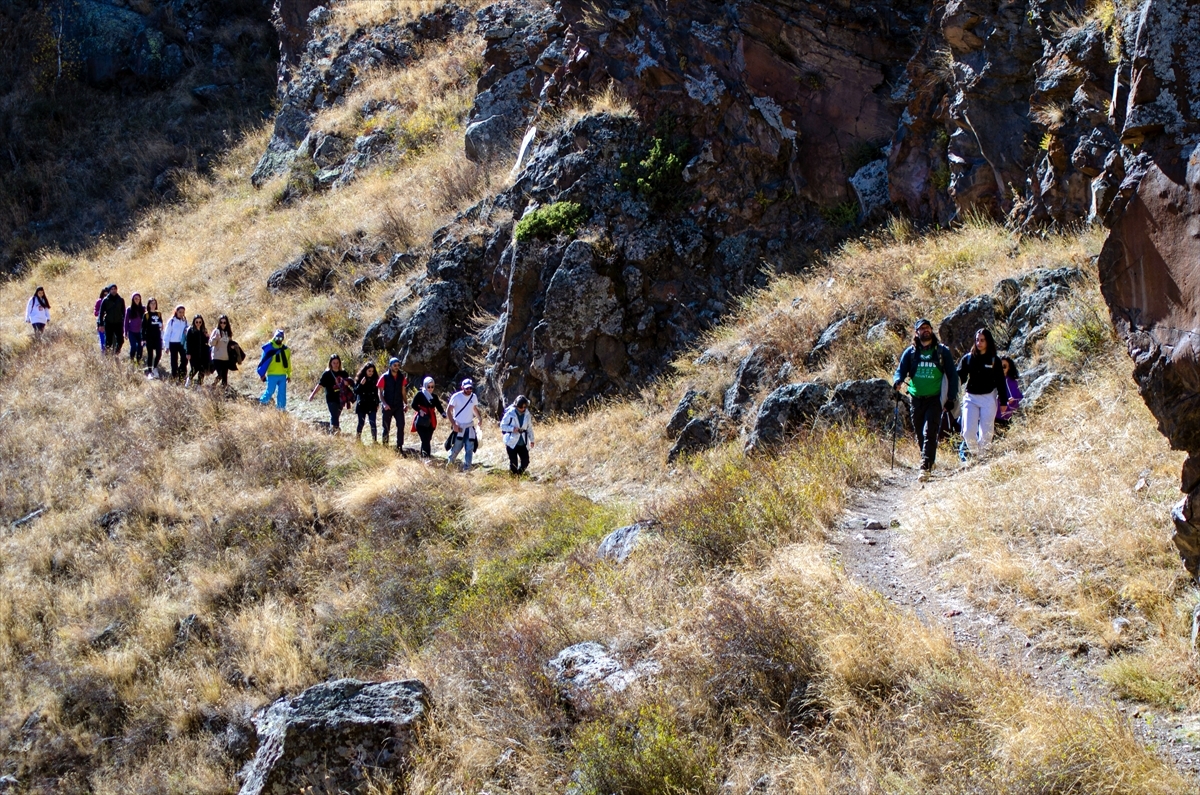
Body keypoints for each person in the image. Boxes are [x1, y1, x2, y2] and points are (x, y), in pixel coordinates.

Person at [893, 318, 959, 481]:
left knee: (929, 431)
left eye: (927, 327)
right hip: (916, 399)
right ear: (917, 333)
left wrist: (950, 398)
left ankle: (925, 467)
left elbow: (952, 375)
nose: (925, 330)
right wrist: (898, 381)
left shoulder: (942, 352)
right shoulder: (911, 353)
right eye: (922, 329)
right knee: (920, 434)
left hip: (935, 399)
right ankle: (929, 459)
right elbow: (900, 370)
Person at [446, 378, 483, 471]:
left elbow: (474, 408)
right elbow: (448, 411)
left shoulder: (473, 397)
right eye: (467, 388)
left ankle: (467, 468)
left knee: (469, 448)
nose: (469, 390)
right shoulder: (456, 397)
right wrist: (454, 424)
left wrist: (479, 418)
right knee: (456, 448)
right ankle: (450, 466)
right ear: (462, 387)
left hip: (470, 426)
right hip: (459, 427)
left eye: (470, 388)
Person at [309, 354, 349, 431]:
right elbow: (320, 385)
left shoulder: (343, 373)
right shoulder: (326, 374)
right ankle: (335, 433)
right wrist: (312, 394)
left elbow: (349, 383)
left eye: (337, 363)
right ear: (330, 363)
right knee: (334, 416)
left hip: (341, 398)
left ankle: (333, 430)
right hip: (331, 398)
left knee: (336, 416)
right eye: (334, 363)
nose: (336, 365)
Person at [410, 376, 446, 458]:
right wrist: (420, 410)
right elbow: (413, 405)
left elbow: (439, 406)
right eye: (428, 386)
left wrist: (443, 413)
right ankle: (427, 458)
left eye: (432, 386)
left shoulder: (435, 396)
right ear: (425, 386)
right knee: (425, 439)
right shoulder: (420, 394)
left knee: (427, 439)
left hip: (431, 420)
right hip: (421, 420)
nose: (430, 388)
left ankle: (424, 456)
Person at [378, 358, 408, 453]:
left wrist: (405, 403)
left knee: (401, 425)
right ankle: (385, 447)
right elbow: (380, 393)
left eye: (398, 365)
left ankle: (400, 447)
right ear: (390, 366)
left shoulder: (401, 377)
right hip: (388, 405)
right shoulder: (384, 377)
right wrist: (384, 404)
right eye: (395, 365)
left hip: (398, 405)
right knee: (386, 427)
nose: (397, 367)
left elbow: (403, 391)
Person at [500, 395, 534, 475]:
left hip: (523, 442)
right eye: (521, 407)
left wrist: (532, 440)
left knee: (526, 461)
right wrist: (512, 429)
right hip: (511, 442)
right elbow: (502, 426)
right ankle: (514, 478)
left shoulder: (527, 414)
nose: (523, 409)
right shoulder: (510, 413)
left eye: (524, 407)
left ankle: (519, 474)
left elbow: (529, 428)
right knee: (513, 463)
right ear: (516, 406)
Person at [257, 329, 291, 409]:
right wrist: (262, 374)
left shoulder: (286, 350)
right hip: (272, 375)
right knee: (270, 391)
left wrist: (289, 374)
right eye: (277, 337)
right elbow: (263, 362)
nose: (278, 339)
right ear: (274, 337)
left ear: (283, 339)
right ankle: (262, 404)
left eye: (280, 338)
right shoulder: (269, 348)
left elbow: (288, 363)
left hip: (282, 375)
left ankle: (281, 409)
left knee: (282, 393)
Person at [354, 363, 380, 443]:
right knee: (361, 423)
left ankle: (374, 441)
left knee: (373, 423)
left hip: (372, 404)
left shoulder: (375, 379)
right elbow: (356, 391)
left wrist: (377, 403)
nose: (371, 373)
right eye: (369, 371)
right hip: (362, 404)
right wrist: (361, 384)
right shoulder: (360, 379)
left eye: (372, 371)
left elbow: (376, 393)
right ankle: (358, 440)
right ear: (365, 370)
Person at [996, 356, 1024, 427]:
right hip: (990, 416)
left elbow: (1017, 398)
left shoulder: (1011, 381)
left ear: (1009, 368)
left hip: (1003, 418)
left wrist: (1011, 402)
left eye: (1004, 366)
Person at [98, 283, 126, 355]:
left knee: (121, 340)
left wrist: (124, 323)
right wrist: (100, 324)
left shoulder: (120, 300)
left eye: (115, 289)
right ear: (110, 290)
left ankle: (116, 353)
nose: (114, 291)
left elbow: (124, 312)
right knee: (108, 342)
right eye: (112, 289)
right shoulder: (105, 300)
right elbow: (101, 313)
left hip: (118, 323)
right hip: (109, 323)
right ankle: (108, 356)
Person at [184, 314, 211, 387]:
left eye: (200, 322)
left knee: (202, 368)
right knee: (195, 368)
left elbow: (206, 342)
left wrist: (207, 337)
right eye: (197, 322)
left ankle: (199, 384)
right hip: (193, 353)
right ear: (194, 322)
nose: (198, 323)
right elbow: (188, 342)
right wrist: (188, 353)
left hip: (203, 353)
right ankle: (189, 379)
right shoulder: (191, 330)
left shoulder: (204, 330)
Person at [164, 305, 189, 379]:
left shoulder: (185, 321)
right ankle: (174, 375)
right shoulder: (171, 321)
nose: (181, 314)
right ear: (176, 312)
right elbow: (167, 334)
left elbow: (188, 331)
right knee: (174, 360)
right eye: (180, 312)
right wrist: (167, 346)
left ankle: (182, 374)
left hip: (182, 343)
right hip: (173, 343)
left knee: (184, 359)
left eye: (183, 312)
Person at [209, 315, 233, 387]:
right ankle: (213, 385)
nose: (222, 324)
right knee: (220, 374)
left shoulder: (228, 332)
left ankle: (224, 393)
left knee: (225, 378)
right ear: (219, 323)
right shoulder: (216, 331)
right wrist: (215, 338)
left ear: (227, 323)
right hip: (217, 357)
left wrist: (232, 346)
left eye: (224, 322)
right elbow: (211, 343)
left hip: (226, 357)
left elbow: (230, 343)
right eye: (221, 322)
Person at [143, 298, 164, 372]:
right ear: (149, 304)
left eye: (154, 303)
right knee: (150, 355)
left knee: (159, 354)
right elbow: (143, 327)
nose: (153, 305)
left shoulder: (158, 314)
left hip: (157, 337)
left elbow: (161, 323)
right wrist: (143, 339)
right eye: (151, 303)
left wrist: (161, 326)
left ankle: (155, 367)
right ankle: (150, 371)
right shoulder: (146, 315)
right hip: (149, 337)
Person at [125, 293, 145, 365]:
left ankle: (138, 362)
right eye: (135, 298)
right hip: (132, 331)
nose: (137, 300)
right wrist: (126, 332)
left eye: (138, 299)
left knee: (140, 347)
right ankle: (131, 359)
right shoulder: (129, 309)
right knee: (133, 347)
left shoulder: (143, 309)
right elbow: (126, 322)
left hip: (140, 332)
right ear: (133, 299)